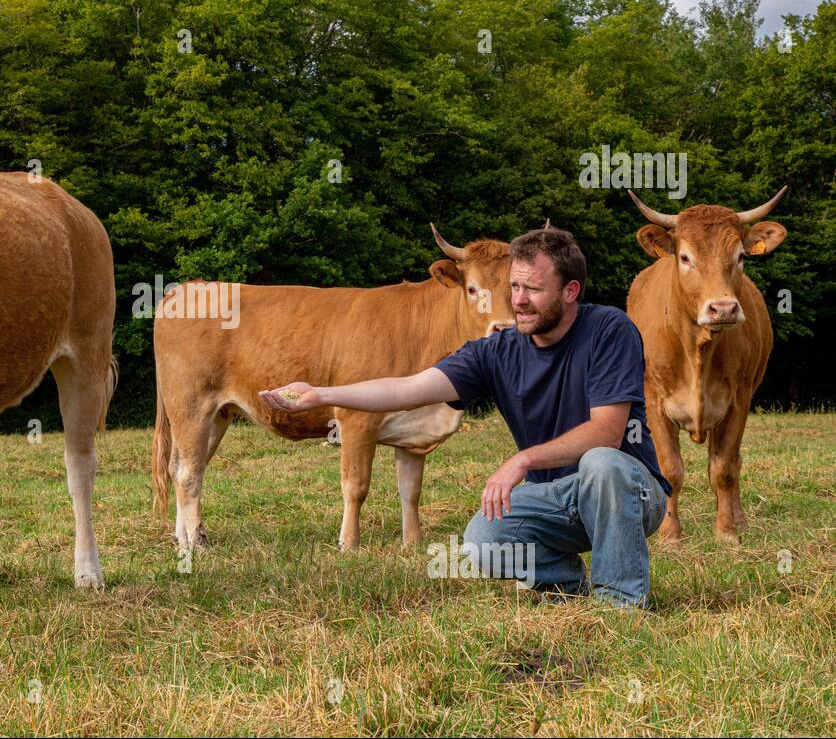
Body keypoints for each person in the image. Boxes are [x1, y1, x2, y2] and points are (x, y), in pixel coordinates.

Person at [260, 226, 671, 608]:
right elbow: (406, 388)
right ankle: (567, 583)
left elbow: (607, 432)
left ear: (570, 291)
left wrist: (523, 460)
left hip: (628, 493)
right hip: (558, 500)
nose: (519, 300)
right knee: (484, 541)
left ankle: (619, 603)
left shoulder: (608, 329)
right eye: (514, 286)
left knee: (600, 462)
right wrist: (320, 394)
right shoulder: (498, 351)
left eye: (534, 289)